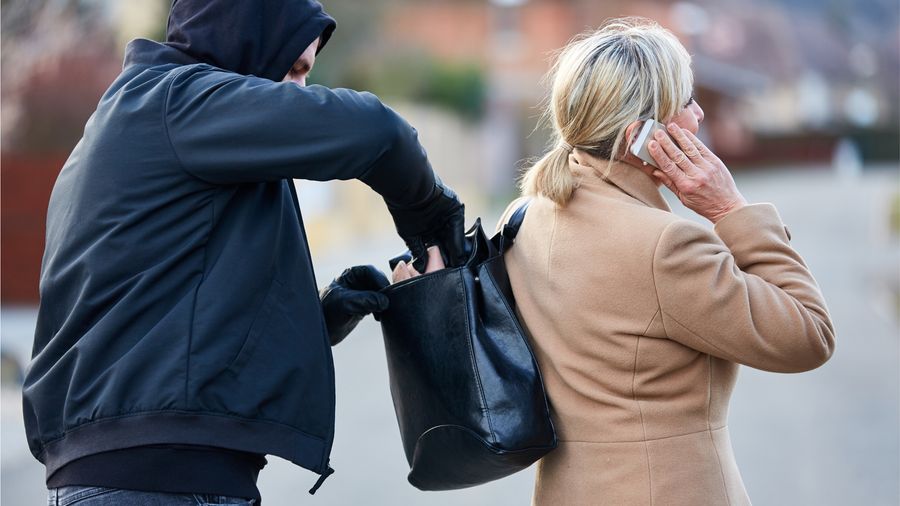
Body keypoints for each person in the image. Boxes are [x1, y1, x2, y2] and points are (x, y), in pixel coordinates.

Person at [24, 1, 465, 504]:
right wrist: (433, 214)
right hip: (157, 482)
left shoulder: (150, 119)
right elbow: (379, 134)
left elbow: (168, 324)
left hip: (143, 474)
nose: (298, 89)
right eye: (294, 68)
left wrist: (317, 319)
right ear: (244, 43)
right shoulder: (177, 103)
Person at [497, 18, 835, 505]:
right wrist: (731, 212)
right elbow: (808, 336)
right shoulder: (668, 246)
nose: (699, 114)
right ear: (642, 136)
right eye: (687, 102)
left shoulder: (525, 215)